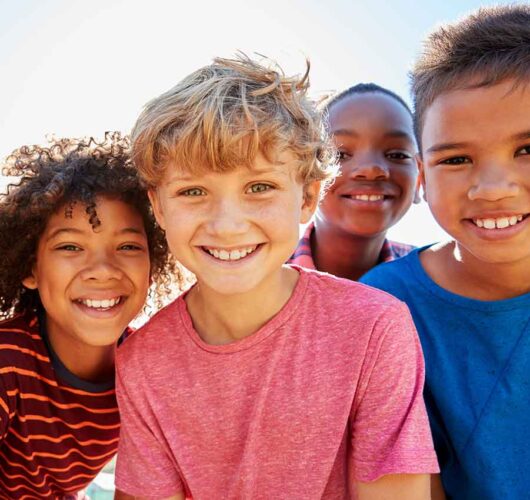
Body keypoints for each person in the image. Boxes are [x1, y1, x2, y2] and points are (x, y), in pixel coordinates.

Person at [113, 54, 438, 500]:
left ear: (307, 197)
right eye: (193, 191)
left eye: (259, 187)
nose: (227, 225)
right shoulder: (142, 361)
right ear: (159, 206)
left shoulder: (375, 327)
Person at [360, 5, 530, 499]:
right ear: (422, 174)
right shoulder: (385, 310)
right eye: (456, 158)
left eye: (527, 148)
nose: (493, 188)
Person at [0, 134, 177, 498]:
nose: (102, 270)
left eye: (128, 246)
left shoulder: (148, 370)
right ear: (30, 268)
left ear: (152, 264)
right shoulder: (7, 363)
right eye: (70, 246)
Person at [289, 83, 418, 280]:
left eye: (397, 154)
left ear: (420, 177)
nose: (371, 169)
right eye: (339, 154)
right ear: (307, 178)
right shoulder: (257, 278)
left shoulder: (438, 282)